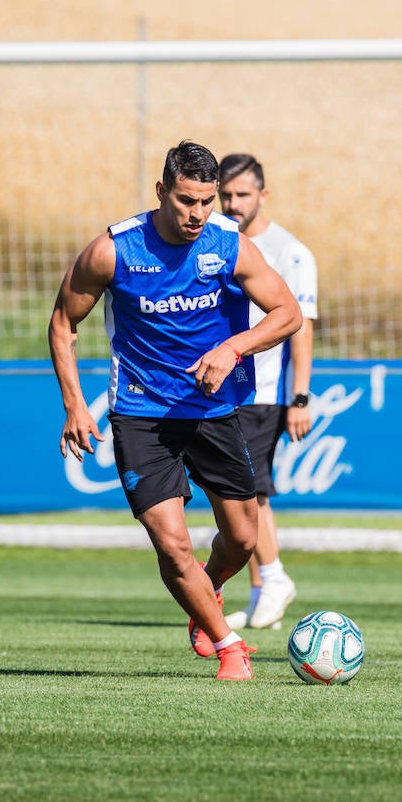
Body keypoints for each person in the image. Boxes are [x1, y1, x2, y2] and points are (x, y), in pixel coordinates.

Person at [48, 140, 301, 680]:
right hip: (141, 416)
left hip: (213, 411)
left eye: (207, 202)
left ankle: (204, 596)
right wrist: (74, 404)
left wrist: (233, 347)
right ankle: (228, 644)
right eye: (186, 200)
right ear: (161, 191)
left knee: (244, 539)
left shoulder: (229, 247)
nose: (197, 214)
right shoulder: (113, 250)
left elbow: (288, 313)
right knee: (171, 540)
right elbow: (64, 325)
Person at [216, 153, 318, 630]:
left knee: (251, 493)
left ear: (263, 195)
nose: (233, 203)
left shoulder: (290, 253)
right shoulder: (216, 242)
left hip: (263, 390)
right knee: (233, 492)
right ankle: (262, 597)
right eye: (227, 195)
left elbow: (300, 327)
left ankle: (275, 578)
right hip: (221, 389)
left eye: (242, 195)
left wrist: (300, 397)